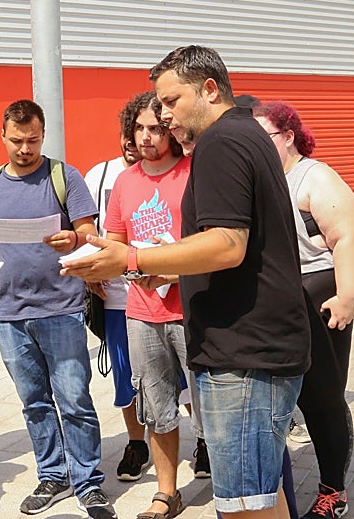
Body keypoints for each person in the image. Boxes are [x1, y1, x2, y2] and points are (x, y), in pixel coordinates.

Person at [63, 45, 310, 519]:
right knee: (261, 497)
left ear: (210, 89)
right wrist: (171, 269)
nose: (165, 115)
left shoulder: (221, 142)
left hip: (244, 355)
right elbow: (244, 249)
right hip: (256, 349)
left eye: (172, 101)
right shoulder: (246, 133)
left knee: (243, 507)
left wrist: (131, 256)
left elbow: (228, 243)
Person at [0, 99, 116, 519]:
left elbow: (89, 233)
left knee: (74, 399)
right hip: (11, 313)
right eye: (16, 141)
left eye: (32, 140)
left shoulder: (64, 177)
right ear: (3, 137)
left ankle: (88, 483)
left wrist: (72, 240)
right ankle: (52, 475)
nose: (24, 149)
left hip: (61, 308)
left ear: (43, 135)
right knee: (34, 402)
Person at [254, 101, 354, 519]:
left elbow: (348, 235)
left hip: (317, 294)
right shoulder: (262, 176)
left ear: (288, 135)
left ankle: (333, 491)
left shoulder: (312, 175)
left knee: (323, 399)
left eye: (264, 138)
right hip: (276, 299)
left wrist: (346, 297)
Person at [104, 91, 206, 519]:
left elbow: (213, 242)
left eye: (156, 128)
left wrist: (175, 271)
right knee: (157, 406)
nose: (146, 137)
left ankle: (234, 484)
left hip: (194, 309)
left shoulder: (194, 172)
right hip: (142, 312)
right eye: (139, 128)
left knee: (212, 402)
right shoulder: (125, 182)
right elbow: (115, 242)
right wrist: (126, 268)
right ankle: (166, 492)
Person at [84, 99, 149, 484]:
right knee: (126, 375)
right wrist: (89, 272)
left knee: (181, 377)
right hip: (117, 298)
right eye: (127, 132)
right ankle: (136, 443)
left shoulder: (166, 174)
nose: (132, 140)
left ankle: (204, 440)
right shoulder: (100, 175)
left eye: (140, 131)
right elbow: (86, 228)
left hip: (164, 295)